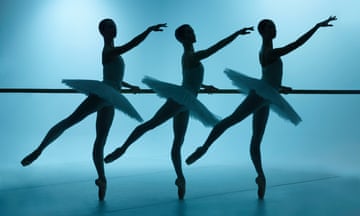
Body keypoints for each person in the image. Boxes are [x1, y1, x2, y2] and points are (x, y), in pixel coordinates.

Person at [186, 16, 337, 200]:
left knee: (256, 139)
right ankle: (204, 148)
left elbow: (269, 75)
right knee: (231, 120)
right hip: (261, 95)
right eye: (270, 27)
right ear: (263, 32)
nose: (274, 29)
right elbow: (296, 44)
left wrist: (279, 88)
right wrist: (317, 26)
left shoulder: (267, 50)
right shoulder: (269, 52)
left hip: (267, 95)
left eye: (275, 26)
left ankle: (260, 176)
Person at [20, 18, 167, 201]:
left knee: (100, 140)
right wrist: (148, 30)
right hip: (104, 94)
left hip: (111, 97)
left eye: (114, 25)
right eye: (108, 27)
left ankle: (102, 178)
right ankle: (39, 150)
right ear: (102, 32)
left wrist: (129, 87)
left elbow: (114, 78)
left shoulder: (113, 52)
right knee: (70, 121)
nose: (113, 28)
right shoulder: (108, 50)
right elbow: (131, 45)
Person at [104, 24, 254, 200]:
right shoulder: (191, 55)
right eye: (189, 32)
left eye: (192, 30)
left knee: (177, 142)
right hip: (182, 99)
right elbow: (215, 48)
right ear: (182, 38)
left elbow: (189, 79)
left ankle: (180, 178)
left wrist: (204, 86)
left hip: (187, 100)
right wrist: (235, 34)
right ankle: (122, 148)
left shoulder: (188, 56)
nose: (193, 33)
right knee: (151, 124)